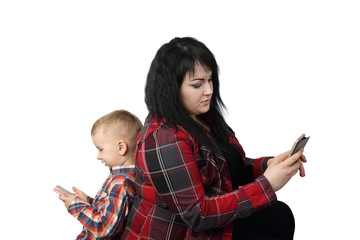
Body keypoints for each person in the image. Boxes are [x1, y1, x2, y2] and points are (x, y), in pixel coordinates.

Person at [121, 37, 307, 240]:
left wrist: (267, 165)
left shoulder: (202, 117)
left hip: (209, 222)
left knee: (279, 215)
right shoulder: (163, 139)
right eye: (197, 84)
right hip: (181, 232)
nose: (209, 90)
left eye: (210, 80)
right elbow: (198, 215)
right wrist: (267, 184)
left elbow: (224, 169)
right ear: (171, 88)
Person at [58, 110, 142, 240]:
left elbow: (104, 228)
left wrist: (76, 206)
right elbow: (110, 211)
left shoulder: (121, 183)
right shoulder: (120, 178)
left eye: (101, 149)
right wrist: (88, 202)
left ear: (121, 147)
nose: (98, 156)